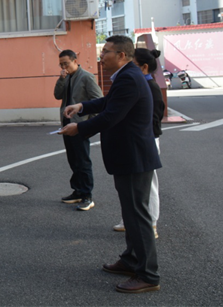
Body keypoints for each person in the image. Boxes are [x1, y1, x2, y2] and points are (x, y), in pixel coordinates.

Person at [60, 36, 161, 294]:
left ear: (122, 55)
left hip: (133, 157)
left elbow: (111, 116)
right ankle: (131, 260)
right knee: (131, 214)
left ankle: (148, 275)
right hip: (129, 156)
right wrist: (82, 105)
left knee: (137, 216)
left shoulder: (128, 77)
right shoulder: (126, 75)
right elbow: (108, 103)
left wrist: (79, 128)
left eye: (106, 51)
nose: (101, 56)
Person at [114, 48, 164, 237]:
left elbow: (154, 121)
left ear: (144, 67)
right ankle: (130, 221)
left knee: (147, 187)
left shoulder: (150, 87)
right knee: (131, 187)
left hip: (146, 142)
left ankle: (151, 224)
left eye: (133, 64)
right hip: (135, 141)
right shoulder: (137, 84)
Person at [54, 49, 103, 211]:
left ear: (75, 61)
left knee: (83, 160)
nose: (63, 67)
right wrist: (61, 79)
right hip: (67, 123)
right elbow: (57, 95)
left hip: (80, 125)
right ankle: (77, 191)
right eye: (61, 64)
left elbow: (98, 101)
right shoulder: (66, 77)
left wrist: (89, 124)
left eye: (66, 63)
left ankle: (87, 195)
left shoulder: (86, 77)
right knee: (73, 159)